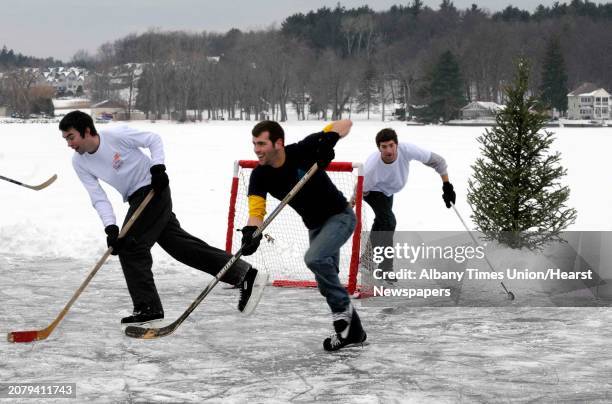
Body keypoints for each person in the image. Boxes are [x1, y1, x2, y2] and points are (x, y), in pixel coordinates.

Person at [59, 110, 268, 325]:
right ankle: (244, 274)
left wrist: (158, 167)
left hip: (153, 188)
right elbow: (98, 197)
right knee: (179, 246)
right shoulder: (79, 162)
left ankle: (147, 307)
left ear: (86, 131)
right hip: (135, 198)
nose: (69, 144)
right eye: (66, 139)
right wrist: (110, 227)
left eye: (71, 137)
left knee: (131, 247)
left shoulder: (116, 135)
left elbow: (153, 139)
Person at [239, 119, 367, 351]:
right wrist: (251, 232)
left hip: (340, 217)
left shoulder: (303, 149)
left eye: (261, 144)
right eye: (254, 144)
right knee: (325, 282)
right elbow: (256, 212)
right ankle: (353, 332)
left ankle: (342, 314)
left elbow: (345, 123)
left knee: (314, 259)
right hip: (316, 227)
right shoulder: (260, 176)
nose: (257, 150)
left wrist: (328, 140)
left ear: (278, 143)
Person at [363, 128, 455, 276]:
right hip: (371, 190)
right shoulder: (371, 168)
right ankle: (385, 269)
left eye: (391, 145)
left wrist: (447, 186)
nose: (389, 150)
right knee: (389, 222)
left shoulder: (407, 150)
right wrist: (349, 206)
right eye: (384, 147)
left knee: (382, 222)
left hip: (389, 191)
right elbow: (360, 189)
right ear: (378, 148)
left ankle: (367, 260)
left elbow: (438, 161)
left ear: (397, 145)